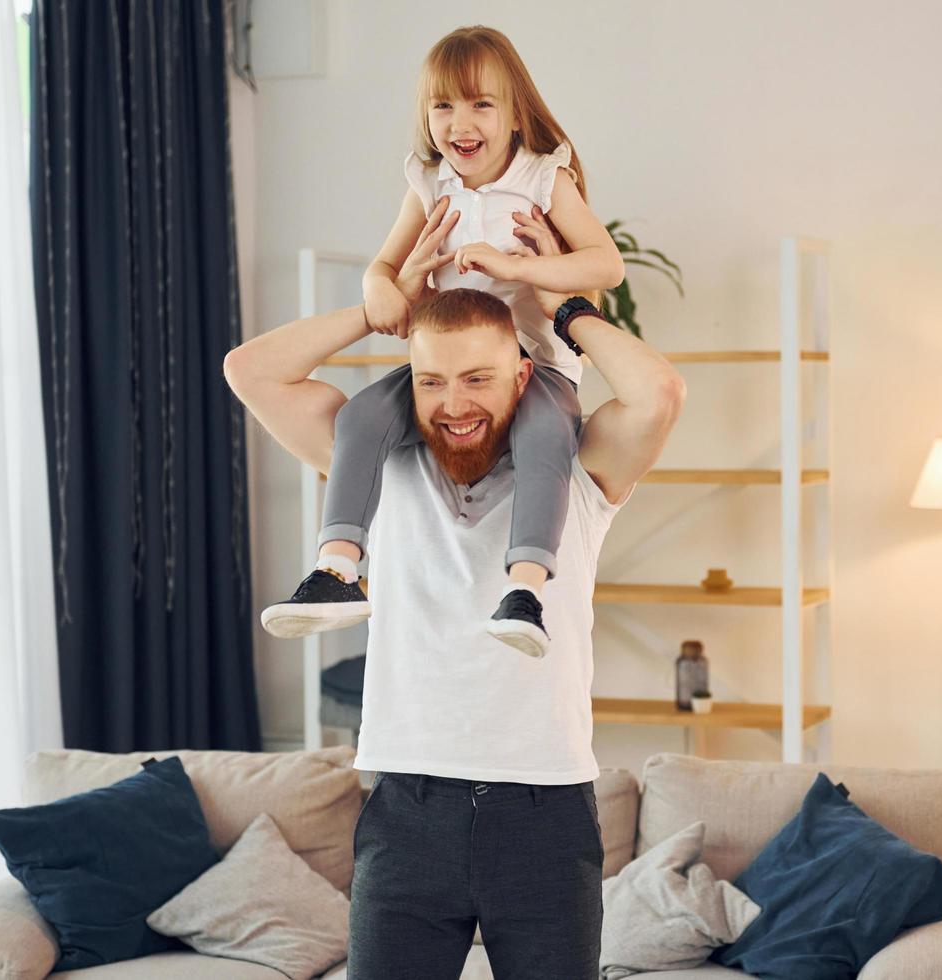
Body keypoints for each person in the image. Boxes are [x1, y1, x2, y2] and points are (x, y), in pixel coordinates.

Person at [223, 203, 685, 979]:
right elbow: (250, 370)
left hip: (544, 817)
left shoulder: (580, 472)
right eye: (432, 381)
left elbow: (660, 392)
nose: (455, 404)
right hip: (407, 811)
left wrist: (561, 307)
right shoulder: (378, 468)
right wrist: (380, 305)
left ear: (523, 373)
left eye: (478, 378)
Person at [260, 25, 625, 660]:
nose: (461, 121)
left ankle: (525, 590)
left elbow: (605, 265)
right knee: (362, 416)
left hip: (534, 367)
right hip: (445, 364)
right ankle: (338, 566)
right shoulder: (429, 183)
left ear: (516, 117)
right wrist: (381, 286)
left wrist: (520, 269)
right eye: (443, 105)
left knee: (544, 439)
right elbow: (383, 267)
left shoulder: (544, 178)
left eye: (481, 104)